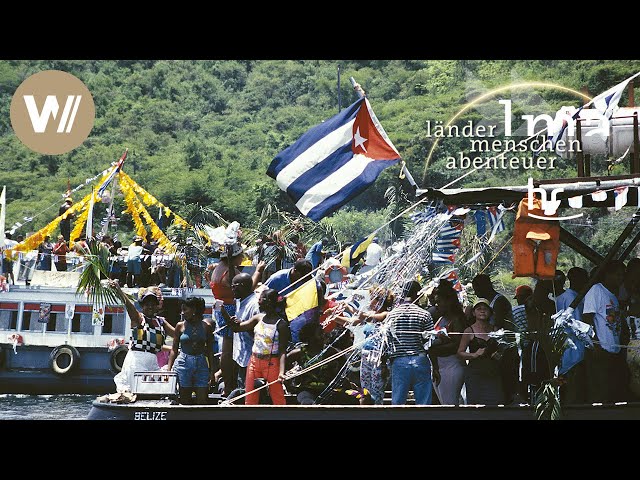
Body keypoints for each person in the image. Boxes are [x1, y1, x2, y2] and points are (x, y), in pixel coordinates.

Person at [223, 288, 291, 405]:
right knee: (250, 398)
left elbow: (282, 351)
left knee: (277, 397)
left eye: (261, 299)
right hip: (254, 362)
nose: (259, 302)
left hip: (272, 363)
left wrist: (281, 372)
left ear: (269, 302)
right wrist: (224, 312)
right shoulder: (258, 318)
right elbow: (236, 328)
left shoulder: (281, 324)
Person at [111, 282, 175, 393]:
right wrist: (118, 290)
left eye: (153, 303)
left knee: (155, 390)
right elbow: (129, 305)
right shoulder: (139, 319)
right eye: (146, 304)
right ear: (142, 306)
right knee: (135, 390)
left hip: (152, 359)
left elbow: (177, 335)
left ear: (157, 306)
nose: (150, 306)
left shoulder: (161, 322)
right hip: (137, 359)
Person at [582, 259, 630, 403]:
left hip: (613, 350)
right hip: (600, 350)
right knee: (600, 393)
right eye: (617, 275)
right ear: (608, 274)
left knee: (611, 392)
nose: (620, 279)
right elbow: (587, 320)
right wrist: (595, 345)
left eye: (622, 276)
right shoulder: (596, 290)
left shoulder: (613, 296)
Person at [385, 279, 434, 405]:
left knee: (398, 402)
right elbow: (430, 340)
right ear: (418, 294)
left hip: (399, 361)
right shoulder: (424, 314)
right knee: (423, 402)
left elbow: (387, 340)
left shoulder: (392, 314)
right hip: (420, 359)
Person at [471, 273, 518, 404]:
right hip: (494, 347)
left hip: (505, 348)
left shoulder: (499, 301)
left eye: (477, 288)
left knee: (505, 382)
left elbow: (498, 327)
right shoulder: (488, 302)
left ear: (484, 286)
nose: (475, 292)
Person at [168, 296, 216, 404]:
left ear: (194, 310)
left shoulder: (206, 327)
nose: (182, 312)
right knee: (184, 399)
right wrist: (169, 369)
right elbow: (174, 349)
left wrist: (212, 371)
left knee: (202, 399)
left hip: (201, 363)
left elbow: (210, 350)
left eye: (185, 309)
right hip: (183, 363)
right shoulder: (180, 326)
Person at [457, 298, 504, 405]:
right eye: (479, 309)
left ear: (490, 312)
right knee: (475, 405)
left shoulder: (496, 330)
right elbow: (460, 353)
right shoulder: (469, 331)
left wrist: (499, 354)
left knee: (494, 403)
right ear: (474, 313)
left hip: (493, 372)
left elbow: (503, 348)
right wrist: (474, 355)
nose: (482, 311)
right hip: (475, 373)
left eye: (485, 309)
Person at [428, 283, 467, 405]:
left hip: (451, 366)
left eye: (439, 302)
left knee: (449, 404)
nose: (436, 305)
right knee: (444, 403)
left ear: (448, 301)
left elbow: (457, 345)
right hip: (438, 366)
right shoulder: (441, 318)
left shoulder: (457, 319)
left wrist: (434, 349)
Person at [286, 321, 341, 405]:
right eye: (320, 334)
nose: (324, 336)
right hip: (306, 390)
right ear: (310, 337)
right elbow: (284, 366)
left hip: (327, 390)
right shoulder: (299, 352)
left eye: (323, 333)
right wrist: (289, 385)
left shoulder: (330, 351)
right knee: (307, 402)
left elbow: (344, 366)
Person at [230, 272, 260, 392]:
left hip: (252, 358)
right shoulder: (240, 300)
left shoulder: (254, 305)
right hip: (241, 357)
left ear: (242, 286)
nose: (232, 289)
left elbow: (259, 332)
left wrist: (242, 325)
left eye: (234, 286)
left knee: (250, 392)